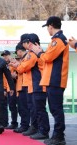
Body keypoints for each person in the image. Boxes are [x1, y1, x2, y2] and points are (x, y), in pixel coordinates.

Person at [31, 16, 69, 145]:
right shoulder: (57, 40)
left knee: (56, 109)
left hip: (55, 80)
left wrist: (39, 52)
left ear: (51, 26)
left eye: (47, 27)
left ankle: (59, 136)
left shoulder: (58, 41)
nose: (47, 29)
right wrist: (42, 53)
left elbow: (47, 58)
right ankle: (57, 135)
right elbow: (48, 57)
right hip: (52, 80)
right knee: (54, 108)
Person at [10, 33, 50, 139]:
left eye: (24, 42)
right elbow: (23, 66)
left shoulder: (33, 54)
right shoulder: (31, 54)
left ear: (29, 42)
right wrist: (19, 66)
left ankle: (43, 130)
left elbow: (24, 67)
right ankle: (36, 127)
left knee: (39, 109)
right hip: (33, 85)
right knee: (33, 108)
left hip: (38, 84)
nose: (23, 45)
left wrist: (17, 66)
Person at [1, 50, 18, 129]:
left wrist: (13, 76)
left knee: (13, 106)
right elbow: (4, 78)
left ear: (10, 55)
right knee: (9, 106)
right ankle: (7, 122)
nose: (5, 57)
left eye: (6, 55)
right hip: (7, 88)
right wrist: (4, 89)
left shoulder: (14, 62)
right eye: (4, 56)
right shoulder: (4, 65)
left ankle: (14, 123)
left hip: (14, 88)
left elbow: (16, 75)